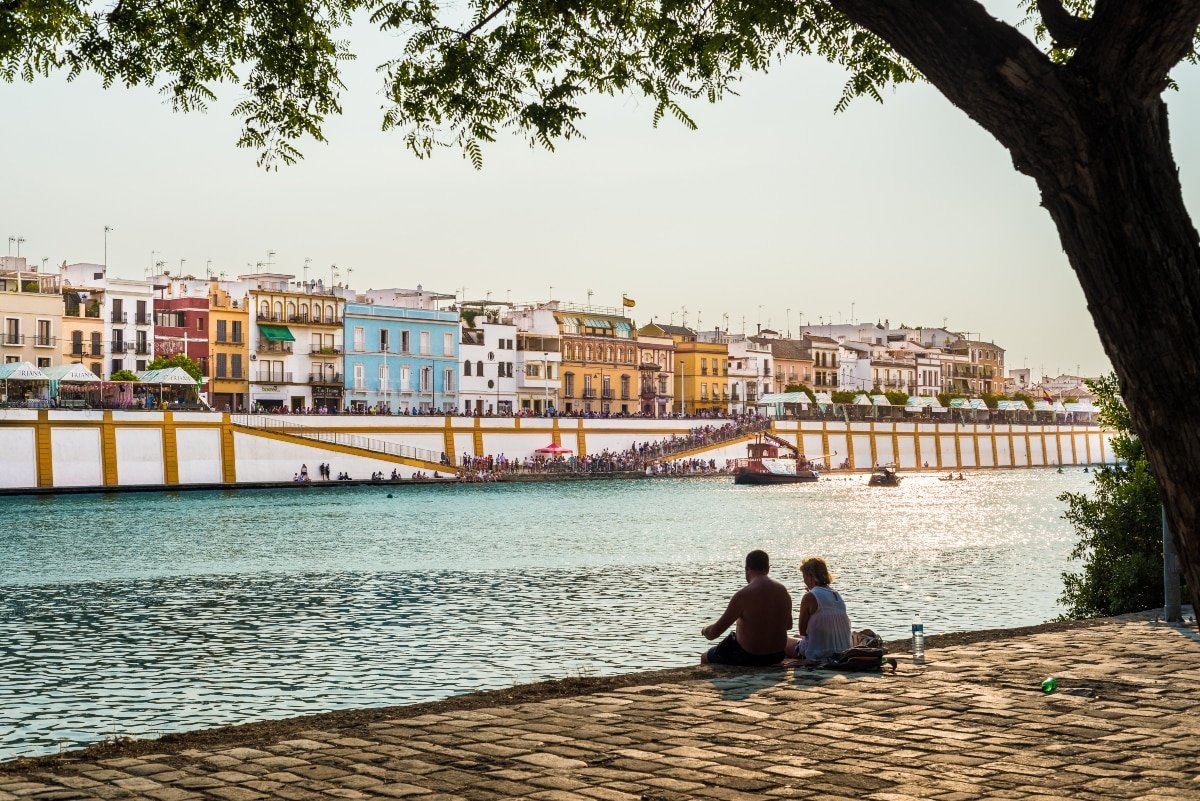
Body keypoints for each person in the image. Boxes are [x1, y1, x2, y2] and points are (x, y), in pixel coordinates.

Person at [701, 550, 792, 666]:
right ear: (768, 569)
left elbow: (714, 633)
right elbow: (788, 625)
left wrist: (704, 630)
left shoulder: (743, 595)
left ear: (747, 568)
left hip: (749, 656)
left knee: (705, 657)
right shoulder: (783, 591)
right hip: (777, 655)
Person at [786, 556, 852, 661]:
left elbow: (802, 631)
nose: (804, 580)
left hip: (819, 653)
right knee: (796, 636)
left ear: (810, 576)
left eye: (804, 576)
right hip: (843, 650)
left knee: (783, 640)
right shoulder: (836, 595)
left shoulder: (809, 596)